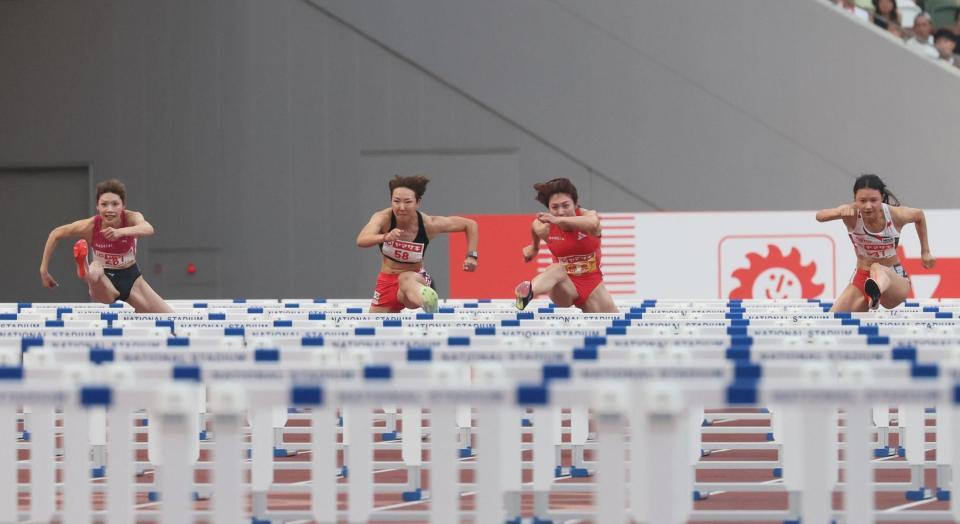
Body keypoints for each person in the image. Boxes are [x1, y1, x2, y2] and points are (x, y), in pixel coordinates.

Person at [39, 179, 173, 313]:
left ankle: (86, 271)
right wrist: (43, 269)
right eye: (104, 204)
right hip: (104, 280)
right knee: (96, 269)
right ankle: (84, 268)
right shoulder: (90, 226)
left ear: (123, 205)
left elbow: (148, 228)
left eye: (115, 204)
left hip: (132, 279)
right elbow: (55, 233)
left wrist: (120, 232)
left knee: (170, 316)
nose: (110, 210)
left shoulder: (132, 218)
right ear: (97, 206)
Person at [357, 175, 479, 313]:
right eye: (396, 201)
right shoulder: (383, 219)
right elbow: (362, 240)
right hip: (386, 282)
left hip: (414, 281)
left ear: (418, 202)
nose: (401, 207)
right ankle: (425, 302)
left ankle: (428, 303)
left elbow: (470, 224)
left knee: (405, 279)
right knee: (375, 326)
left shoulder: (428, 225)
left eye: (408, 202)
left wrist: (472, 256)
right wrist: (385, 236)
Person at [816, 174, 935, 312]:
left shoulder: (895, 214)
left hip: (894, 279)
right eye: (862, 201)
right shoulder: (851, 213)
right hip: (863, 277)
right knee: (834, 319)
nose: (868, 206)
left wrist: (925, 252)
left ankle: (876, 291)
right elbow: (820, 216)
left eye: (873, 200)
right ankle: (873, 294)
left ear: (881, 198)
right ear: (855, 199)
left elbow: (919, 215)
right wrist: (839, 211)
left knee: (876, 267)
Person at [514, 178, 617, 313]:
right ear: (548, 208)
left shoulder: (589, 217)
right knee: (557, 269)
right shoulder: (544, 227)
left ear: (575, 204)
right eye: (555, 207)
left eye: (565, 205)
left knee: (613, 323)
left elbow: (593, 224)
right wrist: (534, 247)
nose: (561, 211)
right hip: (563, 287)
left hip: (592, 284)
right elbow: (534, 227)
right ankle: (527, 294)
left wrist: (557, 220)